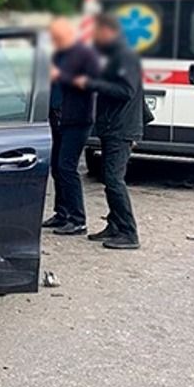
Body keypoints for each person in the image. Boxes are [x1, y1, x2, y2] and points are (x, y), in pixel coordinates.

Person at [72, 14, 145, 249]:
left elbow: (126, 90)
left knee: (114, 180)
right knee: (109, 177)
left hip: (121, 127)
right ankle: (115, 224)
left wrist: (91, 83)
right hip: (113, 125)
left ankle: (128, 232)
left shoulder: (125, 55)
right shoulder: (115, 54)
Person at [43, 18, 99, 235]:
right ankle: (62, 212)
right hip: (57, 117)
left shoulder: (85, 55)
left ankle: (78, 219)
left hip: (77, 119)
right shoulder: (57, 54)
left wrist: (62, 76)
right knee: (56, 167)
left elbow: (92, 83)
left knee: (67, 167)